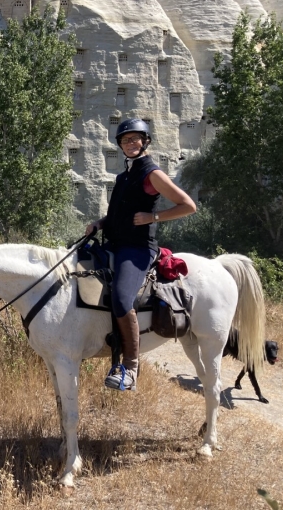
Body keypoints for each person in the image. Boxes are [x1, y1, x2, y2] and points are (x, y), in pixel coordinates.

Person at [85, 118, 196, 391]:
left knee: (122, 300)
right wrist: (100, 223)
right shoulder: (123, 176)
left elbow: (188, 206)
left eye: (135, 139)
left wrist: (153, 216)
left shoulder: (152, 172)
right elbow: (119, 215)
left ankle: (131, 367)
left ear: (145, 141)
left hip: (137, 249)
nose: (130, 144)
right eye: (125, 140)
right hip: (114, 242)